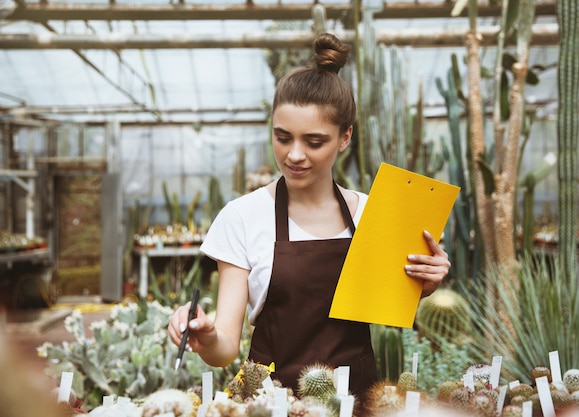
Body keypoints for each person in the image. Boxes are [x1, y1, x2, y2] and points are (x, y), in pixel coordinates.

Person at [168, 32, 451, 405]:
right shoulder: (242, 217)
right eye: (282, 137)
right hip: (271, 405)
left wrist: (425, 282)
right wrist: (205, 336)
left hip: (357, 403)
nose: (294, 155)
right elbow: (224, 348)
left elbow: (396, 305)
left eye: (314, 141)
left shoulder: (374, 214)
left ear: (344, 137)